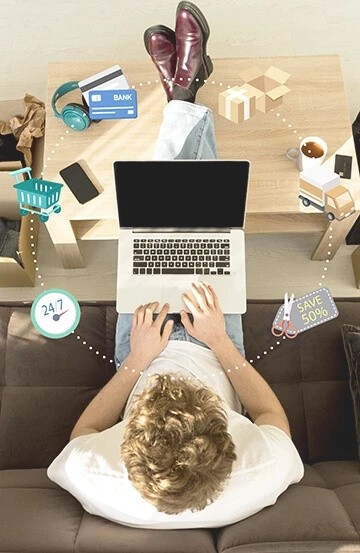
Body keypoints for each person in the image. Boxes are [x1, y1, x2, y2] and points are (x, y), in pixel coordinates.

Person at [47, 1, 304, 529]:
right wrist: (219, 342)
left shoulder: (99, 476)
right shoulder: (260, 471)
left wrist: (140, 361)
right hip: (215, 339)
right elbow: (272, 418)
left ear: (128, 447)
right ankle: (183, 92)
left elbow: (80, 435)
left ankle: (184, 92)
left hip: (138, 346)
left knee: (157, 225)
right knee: (202, 222)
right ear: (224, 435)